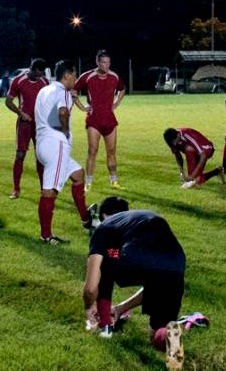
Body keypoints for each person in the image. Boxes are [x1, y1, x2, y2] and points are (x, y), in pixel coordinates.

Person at [83, 197, 185, 370]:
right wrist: (121, 308)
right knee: (156, 334)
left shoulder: (104, 229)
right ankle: (170, 340)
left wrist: (88, 306)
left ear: (103, 217)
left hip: (140, 258)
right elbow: (154, 282)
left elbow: (92, 286)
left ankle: (105, 325)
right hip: (176, 264)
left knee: (105, 261)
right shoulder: (140, 217)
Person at [34, 60, 96, 244]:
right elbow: (62, 112)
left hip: (42, 144)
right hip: (56, 146)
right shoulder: (63, 92)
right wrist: (65, 130)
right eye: (74, 75)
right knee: (49, 191)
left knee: (78, 174)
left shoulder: (44, 89)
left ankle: (86, 219)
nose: (75, 79)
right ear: (67, 75)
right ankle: (46, 236)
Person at [75, 50, 127, 191]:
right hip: (94, 121)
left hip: (110, 120)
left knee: (111, 152)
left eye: (109, 62)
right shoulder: (87, 76)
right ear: (97, 62)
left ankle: (114, 181)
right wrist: (81, 107)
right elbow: (73, 91)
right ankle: (88, 183)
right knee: (93, 151)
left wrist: (116, 103)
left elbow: (122, 89)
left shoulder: (114, 76)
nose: (107, 65)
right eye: (104, 62)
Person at [5, 59, 49, 199]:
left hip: (40, 125)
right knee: (20, 155)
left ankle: (44, 189)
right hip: (24, 123)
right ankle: (16, 189)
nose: (39, 77)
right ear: (31, 69)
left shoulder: (45, 82)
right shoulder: (18, 80)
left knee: (41, 156)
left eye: (41, 74)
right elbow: (8, 101)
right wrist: (21, 113)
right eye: (36, 74)